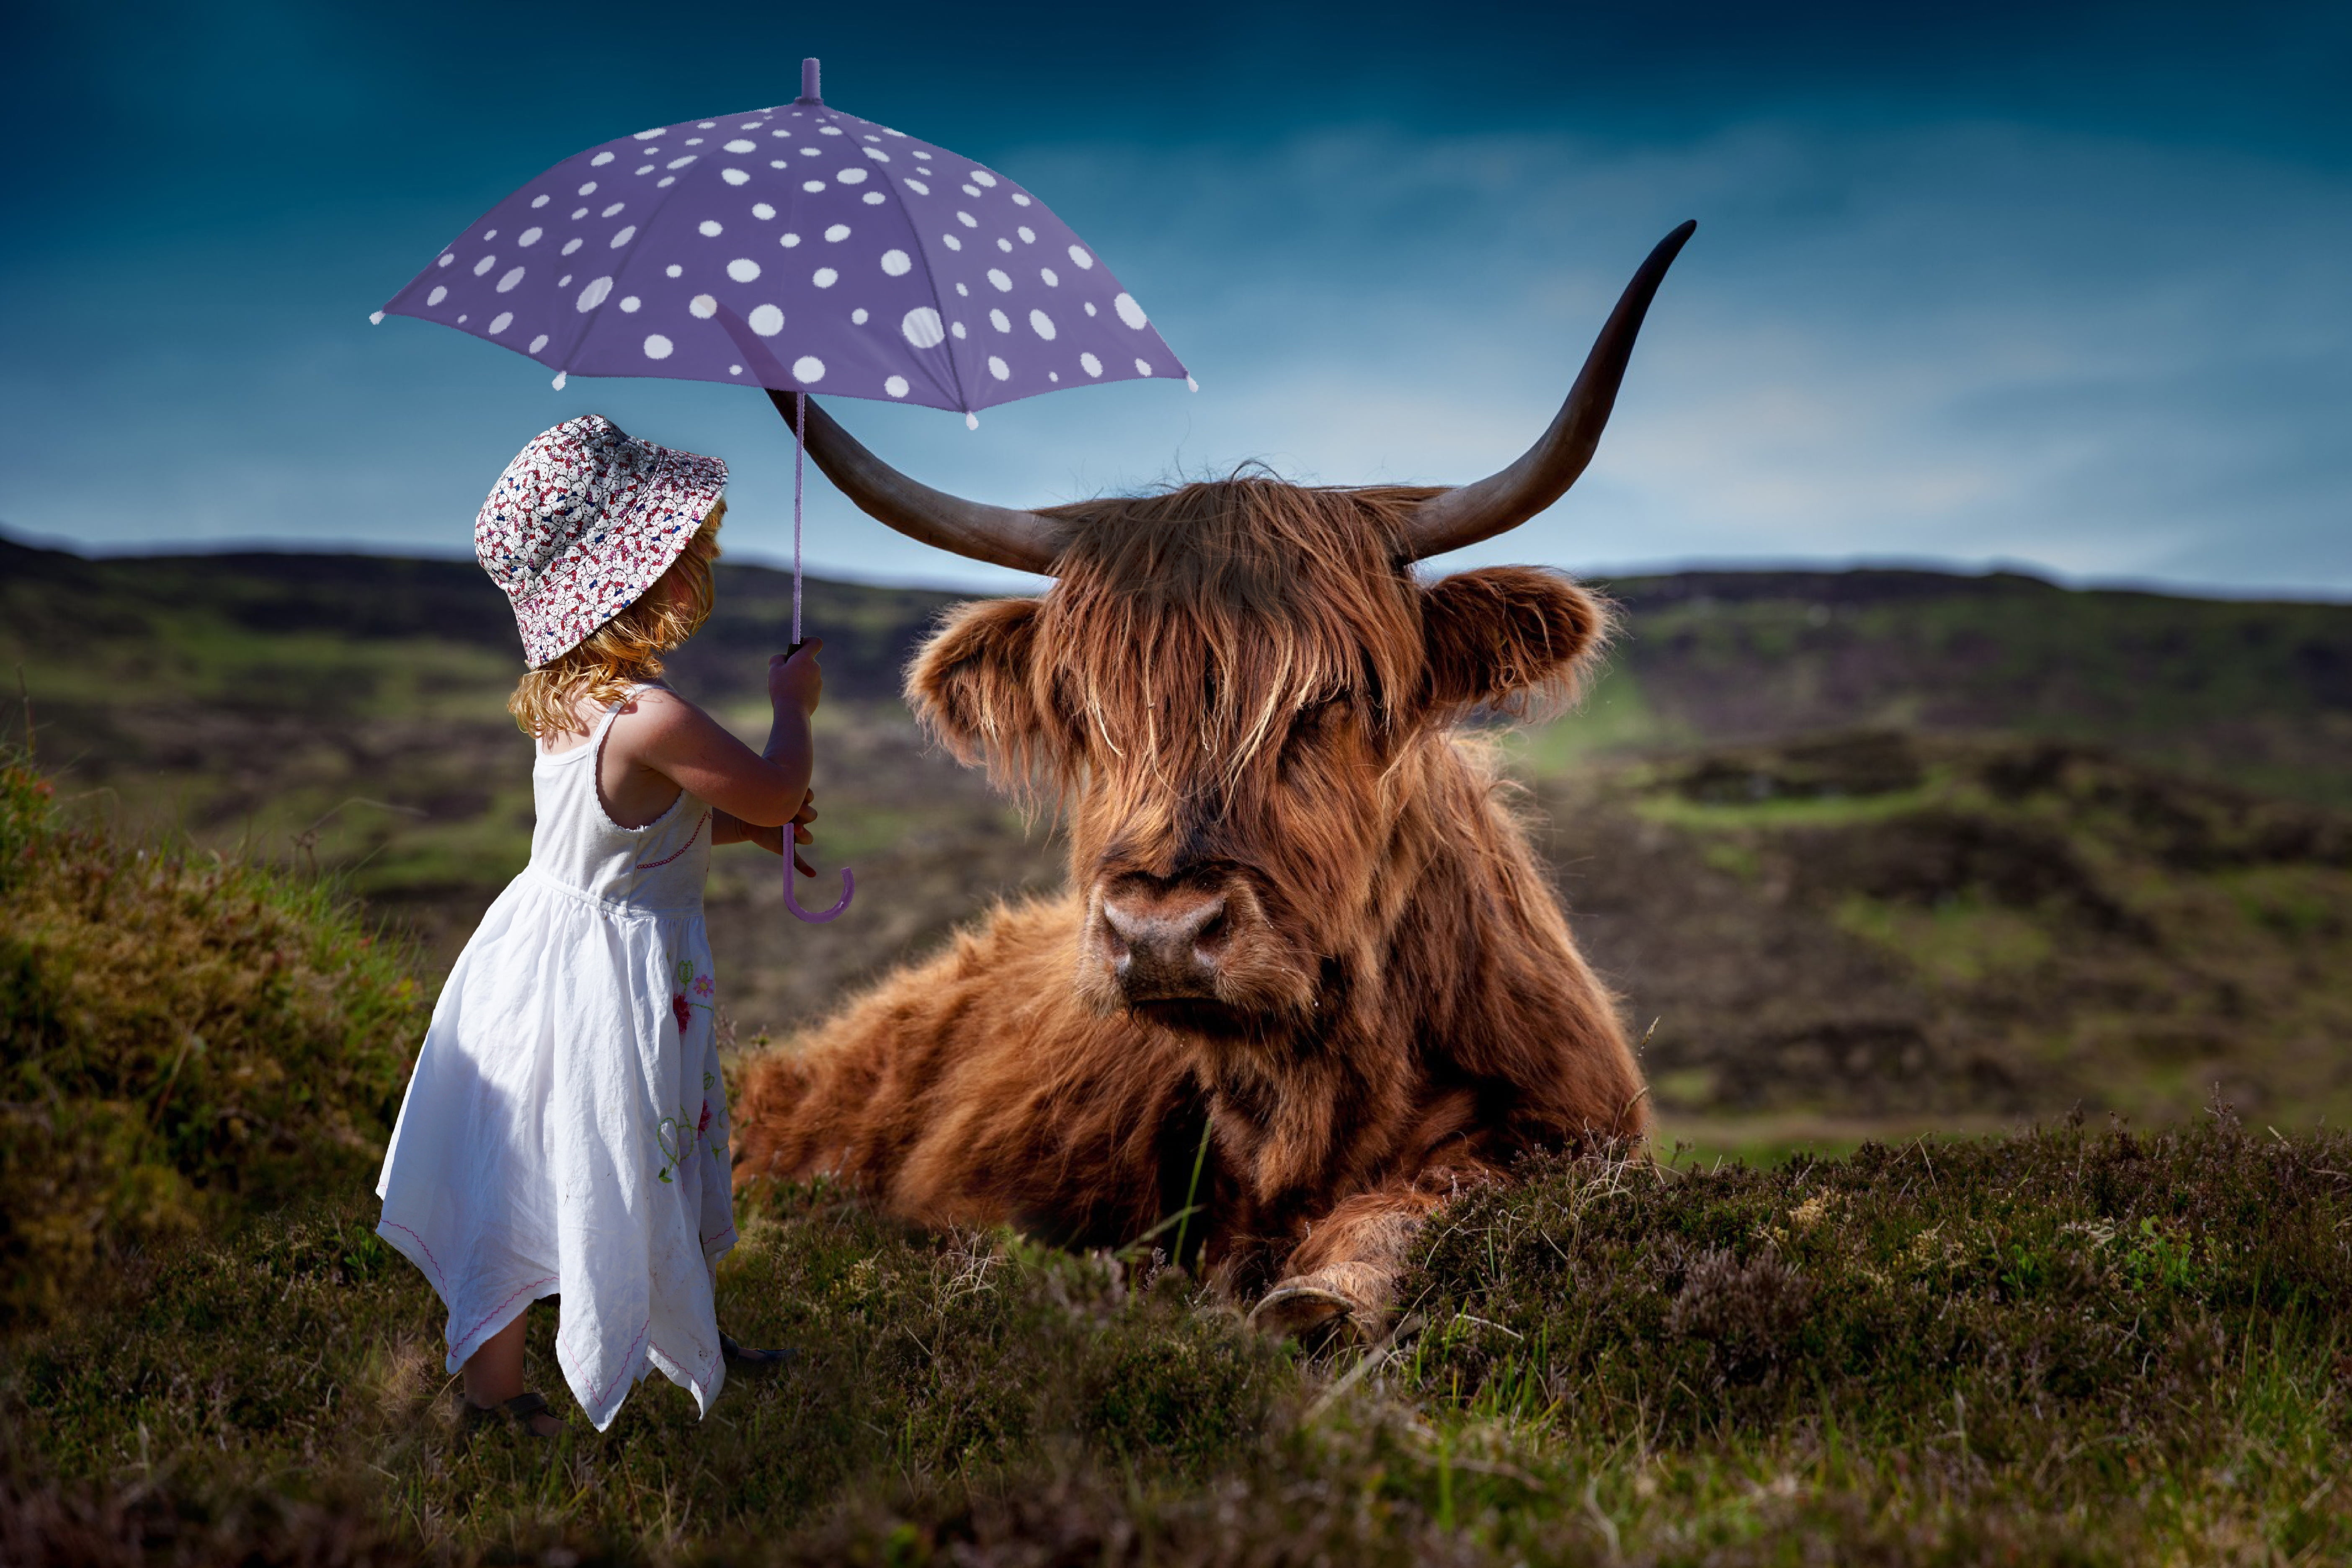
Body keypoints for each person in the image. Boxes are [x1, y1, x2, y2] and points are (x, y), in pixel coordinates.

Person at [376, 414, 821, 1437]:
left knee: (533, 1166)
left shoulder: (570, 704)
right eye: (675, 551)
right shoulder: (649, 716)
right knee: (633, 1148)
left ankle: (528, 1386)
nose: (690, 564)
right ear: (637, 577)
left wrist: (745, 839)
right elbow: (773, 787)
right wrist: (793, 704)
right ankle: (653, 1336)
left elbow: (628, 828)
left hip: (541, 959)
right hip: (612, 982)